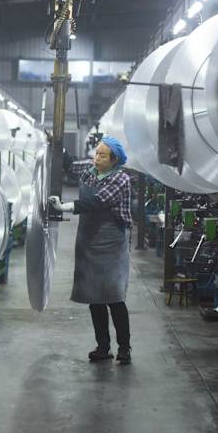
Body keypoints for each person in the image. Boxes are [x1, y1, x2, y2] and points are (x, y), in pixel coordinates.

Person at [49, 137, 132, 363]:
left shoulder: (121, 179)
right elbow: (69, 165)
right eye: (96, 153)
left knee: (114, 298)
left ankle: (124, 348)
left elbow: (96, 202)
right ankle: (103, 347)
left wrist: (66, 206)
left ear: (114, 161)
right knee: (95, 298)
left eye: (102, 155)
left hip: (110, 244)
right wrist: (58, 145)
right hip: (88, 241)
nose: (96, 158)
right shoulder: (90, 169)